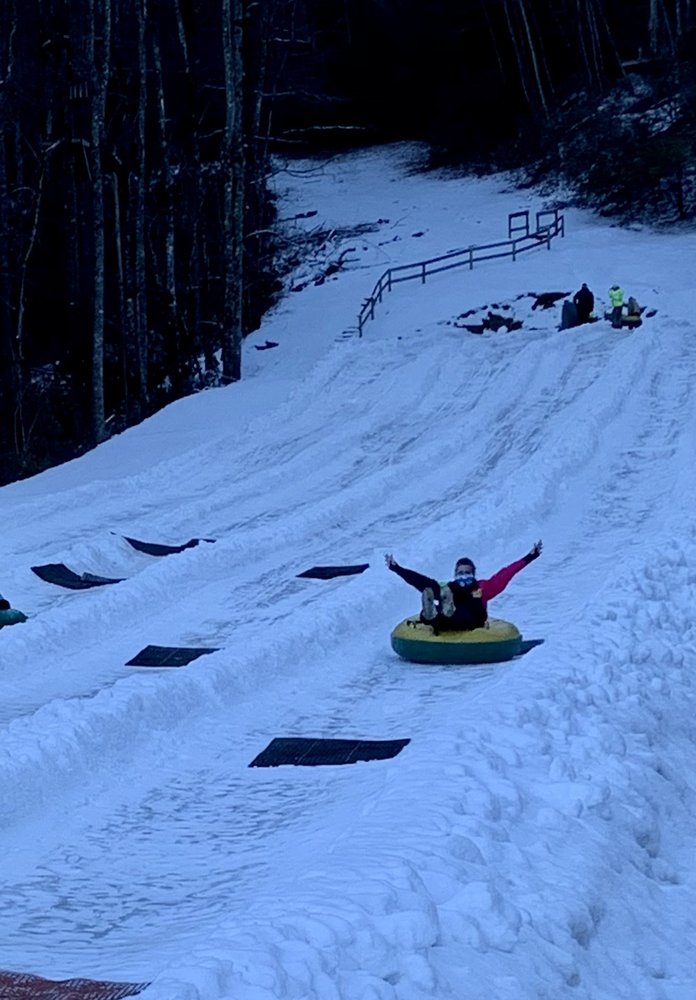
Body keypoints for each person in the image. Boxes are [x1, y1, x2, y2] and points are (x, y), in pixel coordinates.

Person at [385, 541, 543, 633]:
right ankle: (431, 614)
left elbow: (505, 574)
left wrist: (529, 557)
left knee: (466, 605)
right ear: (455, 574)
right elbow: (420, 581)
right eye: (460, 572)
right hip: (448, 621)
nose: (464, 575)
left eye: (467, 572)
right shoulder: (449, 587)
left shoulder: (482, 587)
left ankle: (438, 614)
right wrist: (397, 568)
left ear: (473, 574)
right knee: (434, 591)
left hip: (471, 620)